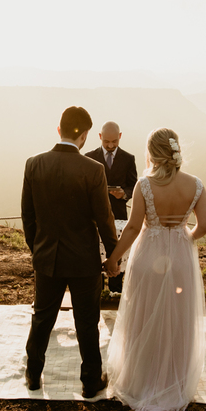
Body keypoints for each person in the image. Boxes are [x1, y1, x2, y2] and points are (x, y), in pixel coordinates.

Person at [103, 128, 206, 411]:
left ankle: (141, 380)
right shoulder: (196, 184)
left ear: (151, 154)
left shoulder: (144, 185)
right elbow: (205, 226)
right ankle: (172, 380)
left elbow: (133, 227)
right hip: (180, 255)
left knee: (142, 313)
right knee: (178, 317)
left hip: (149, 255)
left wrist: (114, 259)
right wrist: (184, 236)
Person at [21, 106, 119, 397]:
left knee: (42, 317)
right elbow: (104, 218)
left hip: (47, 257)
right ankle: (90, 381)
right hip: (84, 260)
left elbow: (28, 216)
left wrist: (37, 249)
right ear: (86, 135)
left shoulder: (34, 164)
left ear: (59, 129)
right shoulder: (93, 169)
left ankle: (33, 374)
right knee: (87, 321)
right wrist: (112, 258)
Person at [84, 121, 137, 294]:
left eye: (114, 141)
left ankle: (116, 292)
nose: (110, 145)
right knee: (93, 255)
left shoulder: (129, 159)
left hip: (118, 215)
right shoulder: (88, 157)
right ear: (100, 137)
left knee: (117, 251)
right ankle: (95, 292)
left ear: (120, 137)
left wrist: (124, 193)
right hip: (93, 216)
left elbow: (134, 186)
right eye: (106, 141)